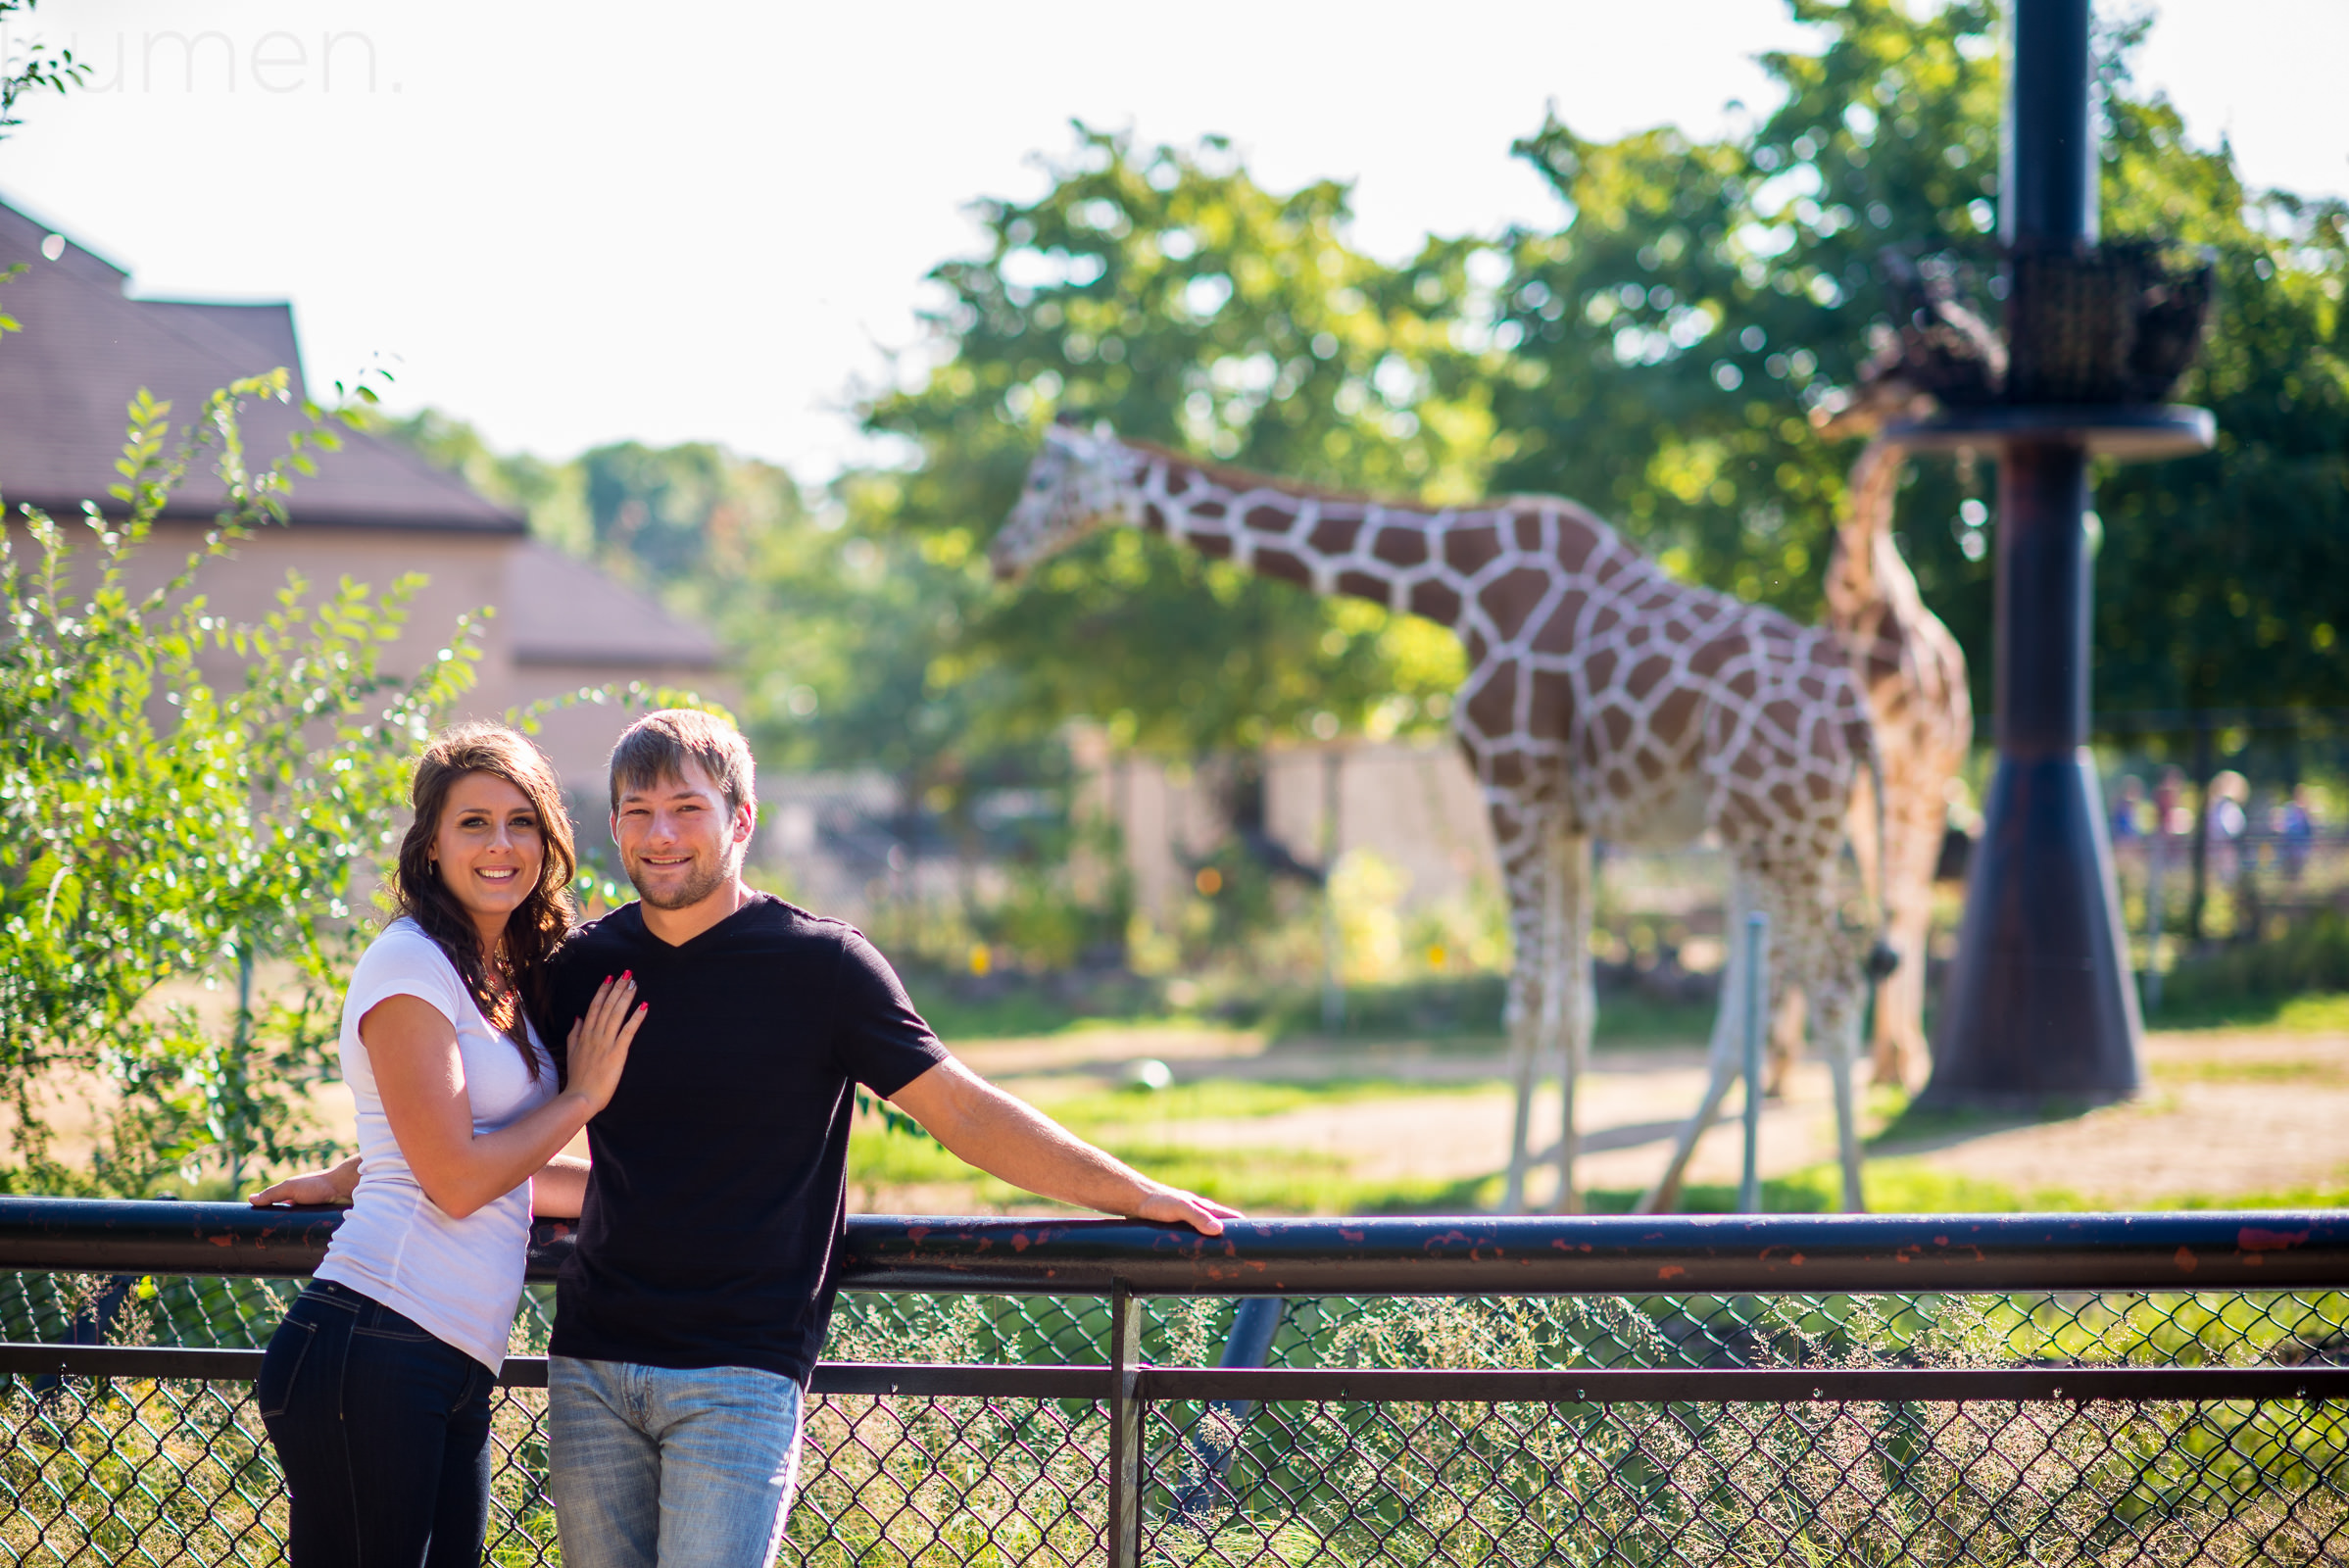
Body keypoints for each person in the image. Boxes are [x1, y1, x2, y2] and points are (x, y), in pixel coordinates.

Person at [269, 710, 1238, 1568]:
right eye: (638, 811)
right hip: (592, 1366)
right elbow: (469, 1129)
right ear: (612, 828)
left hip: (740, 1373)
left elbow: (965, 1113)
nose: (661, 834)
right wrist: (357, 1173)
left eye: (687, 808)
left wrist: (1131, 1193)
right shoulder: (580, 968)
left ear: (742, 819)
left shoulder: (825, 966)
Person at [248, 724, 649, 1568]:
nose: (500, 844)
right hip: (374, 1341)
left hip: (455, 1358)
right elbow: (460, 1182)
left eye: (521, 821)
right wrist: (581, 1096)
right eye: (473, 822)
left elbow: (503, 1167)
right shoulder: (409, 966)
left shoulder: (504, 975)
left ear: (549, 838)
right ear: (430, 845)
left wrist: (672, 1200)